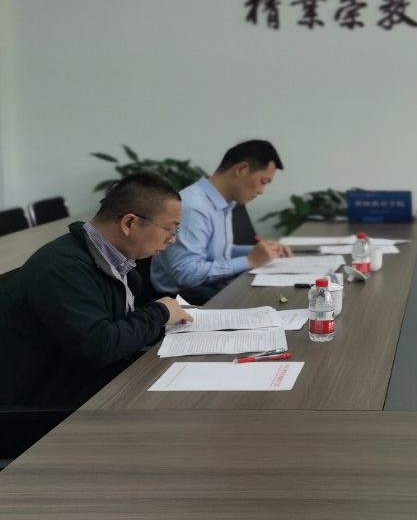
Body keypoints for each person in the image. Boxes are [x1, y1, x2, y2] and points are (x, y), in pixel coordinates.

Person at [0, 172, 194, 406]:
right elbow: (98, 347)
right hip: (45, 408)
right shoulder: (63, 268)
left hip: (89, 386)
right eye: (170, 230)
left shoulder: (117, 261)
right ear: (129, 223)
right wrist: (160, 313)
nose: (172, 240)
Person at [151, 139, 291, 303]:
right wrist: (250, 260)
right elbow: (185, 273)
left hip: (211, 291)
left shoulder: (223, 202)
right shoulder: (194, 207)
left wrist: (260, 251)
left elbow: (216, 253)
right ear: (241, 169)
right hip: (186, 300)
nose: (262, 191)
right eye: (263, 181)